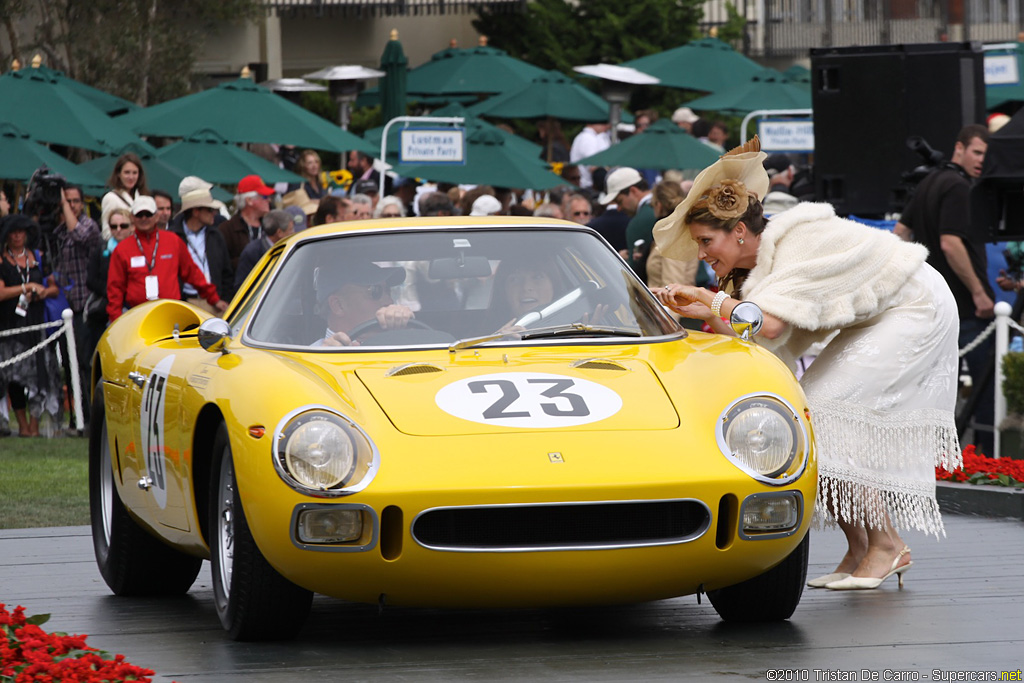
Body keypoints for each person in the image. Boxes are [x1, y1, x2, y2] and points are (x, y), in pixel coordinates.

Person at [652, 137, 961, 591]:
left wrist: (710, 300)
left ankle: (887, 545)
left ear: (738, 231)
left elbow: (769, 328)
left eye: (705, 240)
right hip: (881, 314)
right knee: (809, 415)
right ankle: (860, 548)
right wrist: (698, 312)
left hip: (916, 306)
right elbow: (755, 330)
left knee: (819, 415)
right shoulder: (764, 264)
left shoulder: (798, 237)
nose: (701, 254)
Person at [894, 124, 993, 452]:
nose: (982, 159)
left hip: (932, 306)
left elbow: (900, 232)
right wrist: (979, 293)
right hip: (964, 308)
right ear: (960, 148)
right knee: (983, 390)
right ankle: (983, 459)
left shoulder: (930, 181)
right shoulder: (958, 186)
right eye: (977, 151)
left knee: (932, 391)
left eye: (986, 154)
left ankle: (936, 457)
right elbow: (951, 243)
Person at [106, 196, 228, 322]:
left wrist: (214, 298)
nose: (144, 218)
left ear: (156, 216)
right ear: (132, 217)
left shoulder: (173, 241)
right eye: (139, 214)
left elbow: (192, 273)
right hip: (137, 315)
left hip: (170, 313)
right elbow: (115, 288)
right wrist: (116, 319)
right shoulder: (122, 249)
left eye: (148, 214)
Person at [0, 215, 61, 436]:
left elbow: (55, 287)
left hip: (35, 321)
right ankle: (22, 425)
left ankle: (35, 424)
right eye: (13, 232)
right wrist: (26, 287)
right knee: (13, 375)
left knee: (40, 373)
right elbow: (1, 292)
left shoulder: (39, 258)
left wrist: (43, 291)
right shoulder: (2, 260)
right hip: (11, 324)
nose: (17, 236)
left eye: (21, 231)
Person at [53, 185, 101, 423]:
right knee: (69, 363)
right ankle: (77, 415)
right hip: (64, 306)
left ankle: (90, 416)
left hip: (85, 306)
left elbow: (79, 235)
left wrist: (62, 204)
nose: (71, 205)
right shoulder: (59, 231)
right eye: (67, 201)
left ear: (82, 203)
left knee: (84, 362)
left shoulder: (89, 226)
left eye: (74, 201)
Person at [315, 262, 413, 346]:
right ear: (338, 305)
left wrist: (408, 332)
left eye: (388, 291)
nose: (389, 301)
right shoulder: (310, 358)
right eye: (375, 291)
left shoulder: (397, 344)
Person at [171, 186, 235, 311]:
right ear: (196, 212)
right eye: (210, 209)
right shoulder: (174, 236)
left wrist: (225, 299)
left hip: (216, 303)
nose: (214, 213)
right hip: (186, 302)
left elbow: (227, 272)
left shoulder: (216, 235)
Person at [84, 208, 133, 353]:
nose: (118, 230)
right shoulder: (102, 249)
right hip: (104, 309)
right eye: (114, 226)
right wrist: (111, 291)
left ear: (131, 227)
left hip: (131, 306)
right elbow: (91, 280)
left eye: (123, 226)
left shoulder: (138, 249)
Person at [599, 167, 654, 280]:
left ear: (633, 191)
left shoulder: (639, 223)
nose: (618, 208)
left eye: (619, 201)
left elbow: (635, 277)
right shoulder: (662, 207)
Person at [220, 175, 275, 270]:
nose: (268, 200)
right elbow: (223, 266)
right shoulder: (227, 229)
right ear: (249, 200)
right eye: (264, 196)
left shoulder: (272, 225)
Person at [234, 209, 294, 288]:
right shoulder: (252, 252)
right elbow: (242, 286)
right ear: (279, 233)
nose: (293, 232)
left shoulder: (291, 247)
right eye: (290, 229)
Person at [100, 153, 149, 238]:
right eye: (127, 172)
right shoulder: (111, 198)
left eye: (134, 173)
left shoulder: (143, 197)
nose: (131, 177)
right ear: (118, 174)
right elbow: (106, 233)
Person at [569, 122, 611, 190]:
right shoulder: (587, 138)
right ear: (591, 123)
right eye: (602, 122)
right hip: (586, 186)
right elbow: (593, 165)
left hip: (585, 184)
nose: (605, 125)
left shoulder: (588, 136)